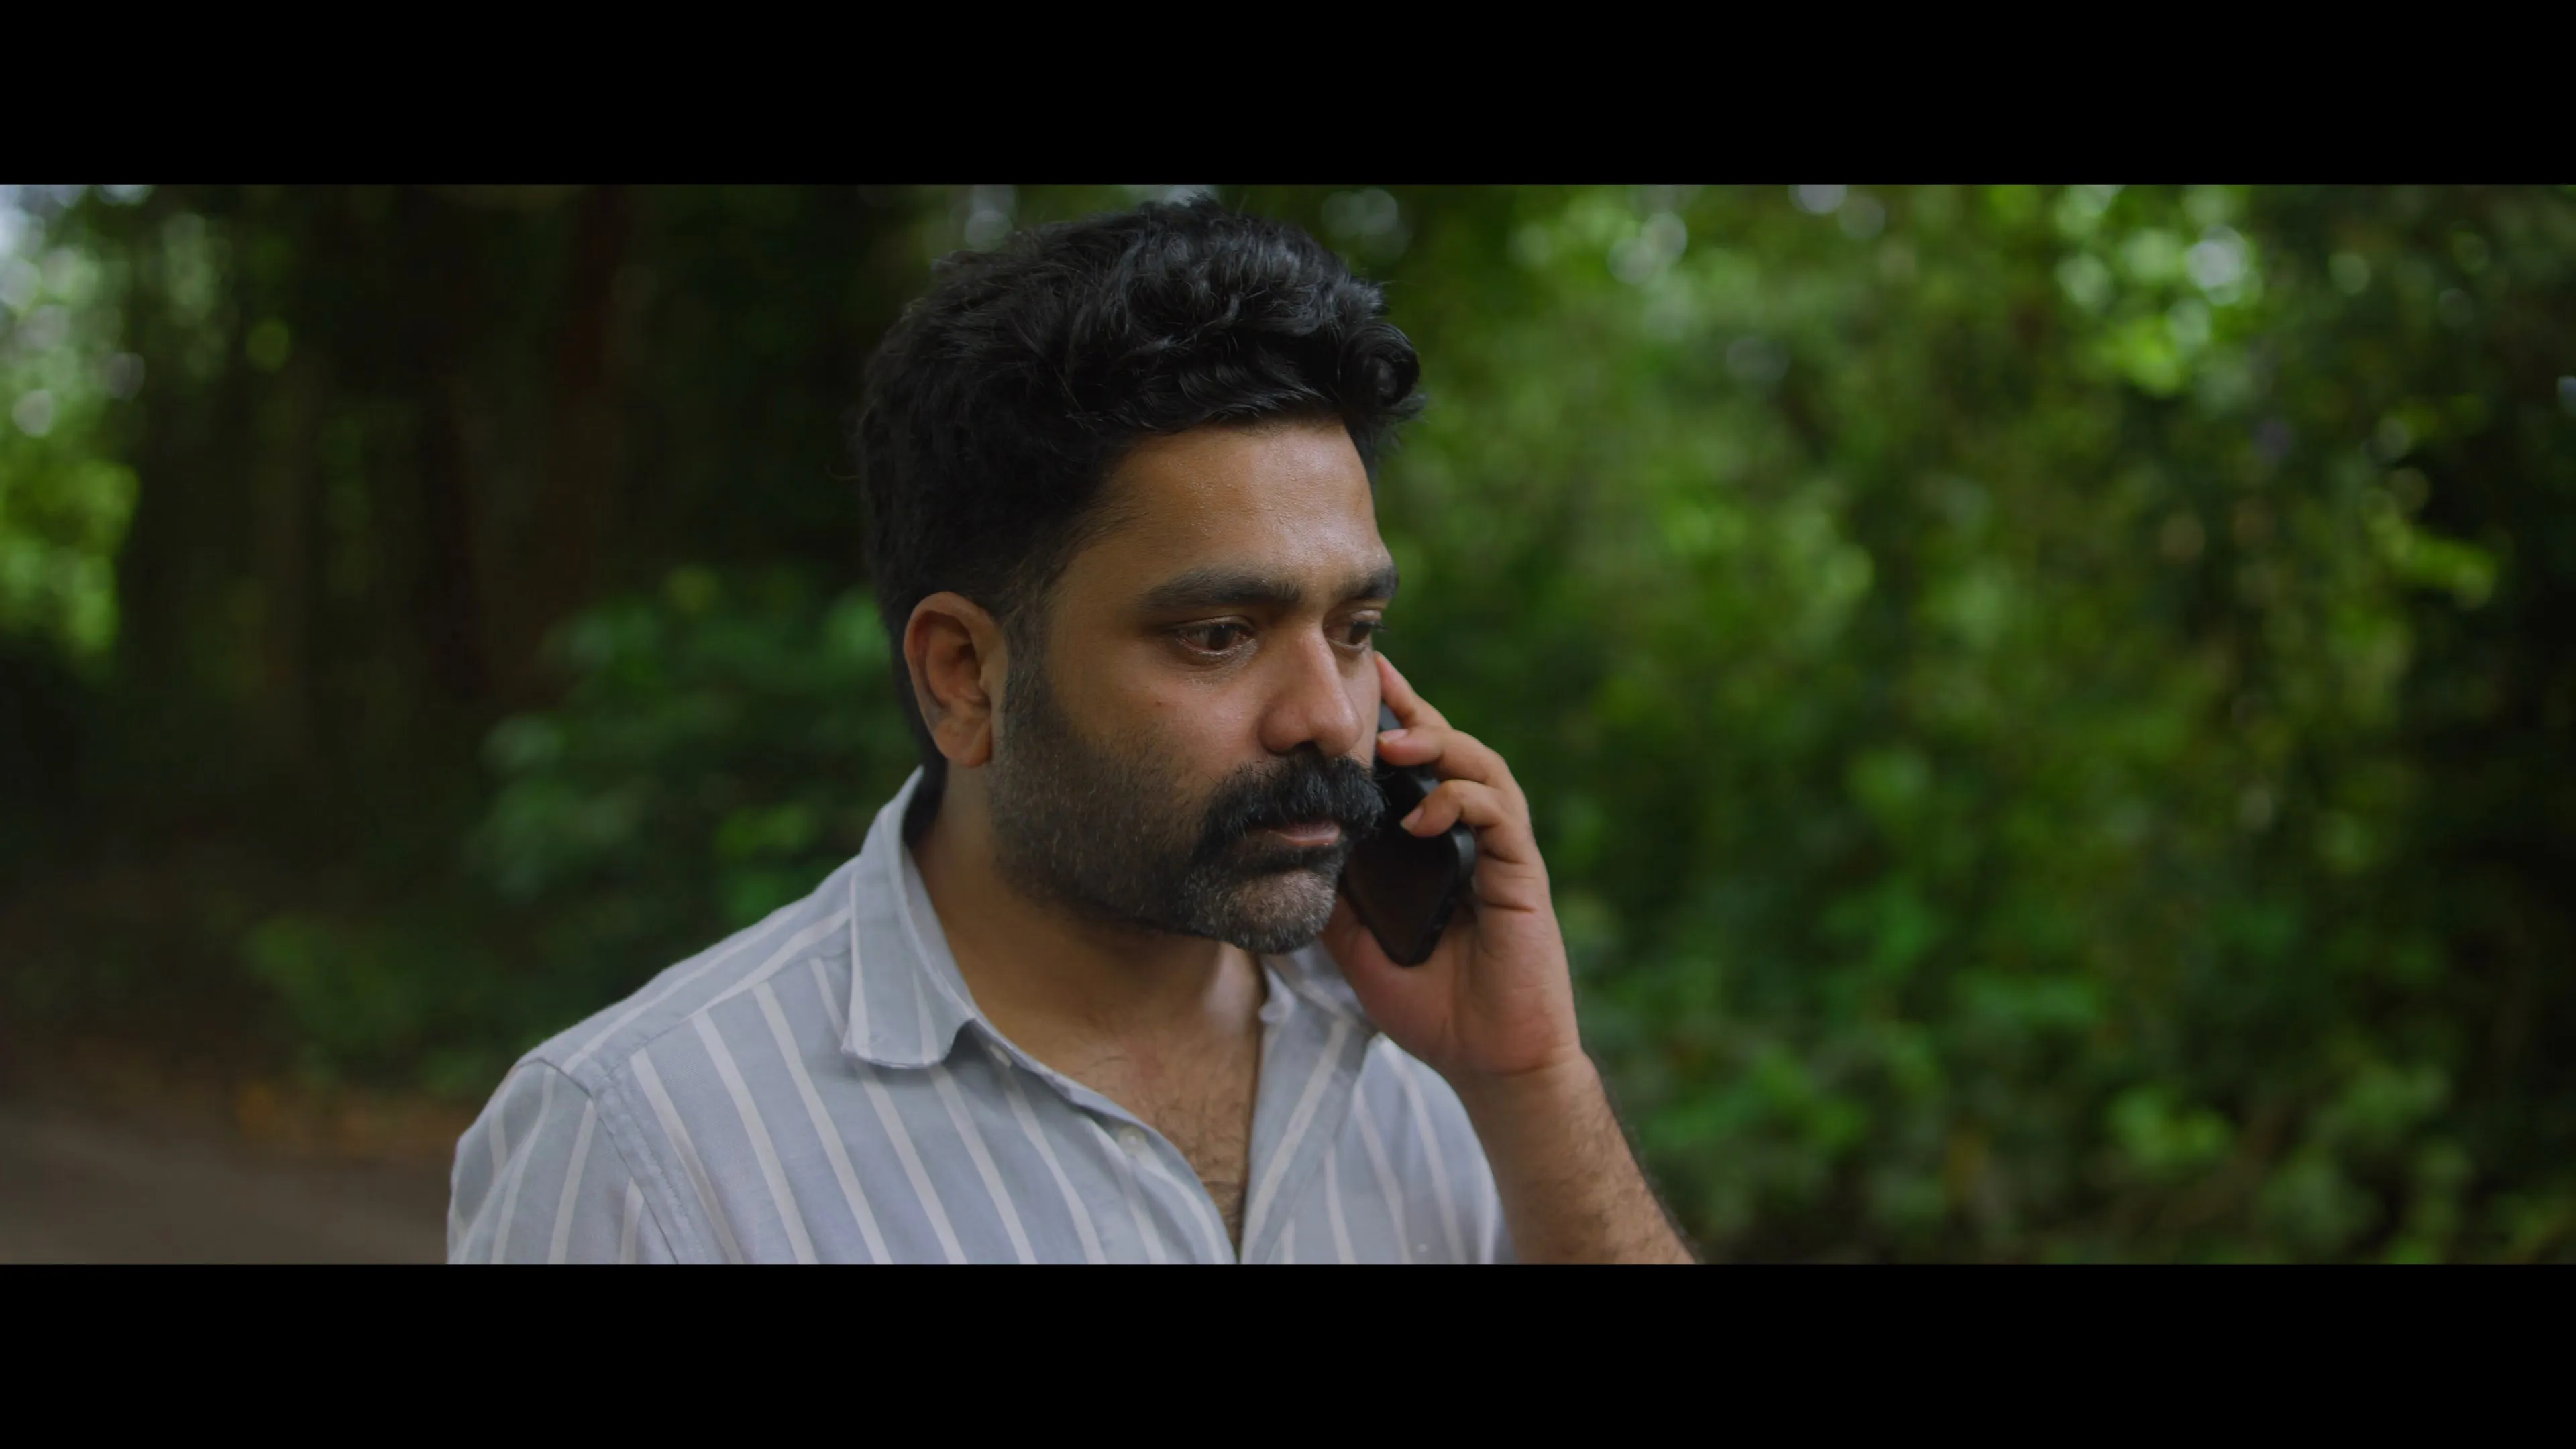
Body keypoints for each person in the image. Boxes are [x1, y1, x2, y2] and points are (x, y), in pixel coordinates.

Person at [447, 198, 1693, 1263]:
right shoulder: (647, 1142)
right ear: (963, 677)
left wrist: (1533, 1087)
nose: (1329, 716)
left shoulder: (1437, 1065)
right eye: (1219, 634)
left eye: (1355, 628)